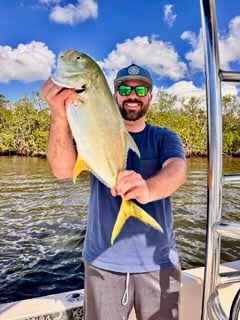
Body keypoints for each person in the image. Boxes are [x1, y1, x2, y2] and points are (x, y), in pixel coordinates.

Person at [41, 63, 186, 320]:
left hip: (159, 262)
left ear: (150, 97)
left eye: (141, 89)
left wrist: (147, 189)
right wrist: (58, 113)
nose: (133, 94)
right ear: (114, 94)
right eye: (124, 88)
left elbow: (176, 171)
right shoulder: (90, 128)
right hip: (102, 262)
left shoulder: (164, 137)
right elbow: (62, 170)